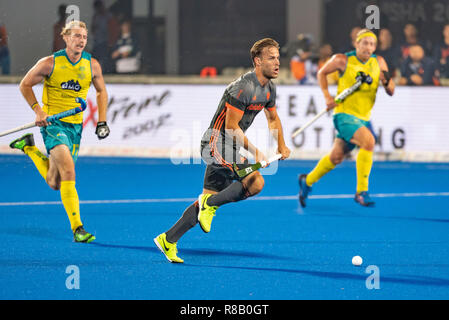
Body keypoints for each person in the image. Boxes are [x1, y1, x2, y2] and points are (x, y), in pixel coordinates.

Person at [154, 38, 291, 263]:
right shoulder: (243, 87)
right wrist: (256, 152)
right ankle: (211, 205)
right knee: (256, 181)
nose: (277, 62)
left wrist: (281, 145)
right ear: (258, 61)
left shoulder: (270, 89)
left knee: (207, 199)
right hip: (215, 144)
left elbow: (273, 119)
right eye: (271, 58)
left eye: (278, 57)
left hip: (230, 146)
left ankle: (168, 239)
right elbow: (231, 128)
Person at [9, 20, 110, 243]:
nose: (81, 41)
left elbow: (102, 92)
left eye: (83, 37)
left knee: (54, 182)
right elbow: (25, 84)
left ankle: (29, 148)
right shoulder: (49, 63)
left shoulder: (92, 65)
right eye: (76, 36)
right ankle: (78, 229)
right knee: (69, 172)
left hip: (75, 127)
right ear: (65, 38)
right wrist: (38, 110)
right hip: (53, 125)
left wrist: (102, 121)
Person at [298, 29, 395, 208]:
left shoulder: (379, 62)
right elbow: (321, 73)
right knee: (369, 141)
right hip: (344, 115)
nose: (368, 47)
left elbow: (391, 91)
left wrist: (386, 80)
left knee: (336, 157)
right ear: (356, 44)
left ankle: (307, 181)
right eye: (364, 43)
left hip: (363, 118)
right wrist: (327, 96)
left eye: (372, 44)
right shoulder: (343, 60)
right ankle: (361, 191)